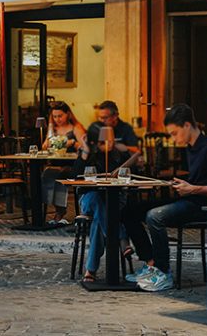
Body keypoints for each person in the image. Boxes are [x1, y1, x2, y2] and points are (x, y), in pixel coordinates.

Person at [122, 103, 207, 291]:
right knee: (129, 211)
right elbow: (195, 179)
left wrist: (193, 189)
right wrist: (179, 184)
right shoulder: (190, 148)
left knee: (155, 215)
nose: (174, 139)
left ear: (187, 125)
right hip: (189, 199)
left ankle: (163, 273)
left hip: (204, 205)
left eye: (174, 133)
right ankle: (151, 263)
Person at [78, 100, 140, 282]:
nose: (110, 142)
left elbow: (132, 165)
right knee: (97, 201)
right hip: (88, 198)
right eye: (106, 140)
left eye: (112, 139)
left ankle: (91, 270)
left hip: (112, 199)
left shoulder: (118, 153)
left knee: (100, 217)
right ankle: (122, 239)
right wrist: (85, 153)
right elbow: (76, 177)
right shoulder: (88, 154)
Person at [41, 101, 87, 225]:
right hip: (56, 163)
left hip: (73, 165)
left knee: (59, 174)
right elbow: (44, 147)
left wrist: (72, 143)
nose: (57, 119)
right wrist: (50, 130)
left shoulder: (76, 128)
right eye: (54, 117)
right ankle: (57, 209)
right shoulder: (53, 129)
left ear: (68, 114)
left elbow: (85, 148)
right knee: (47, 173)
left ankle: (60, 212)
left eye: (60, 116)